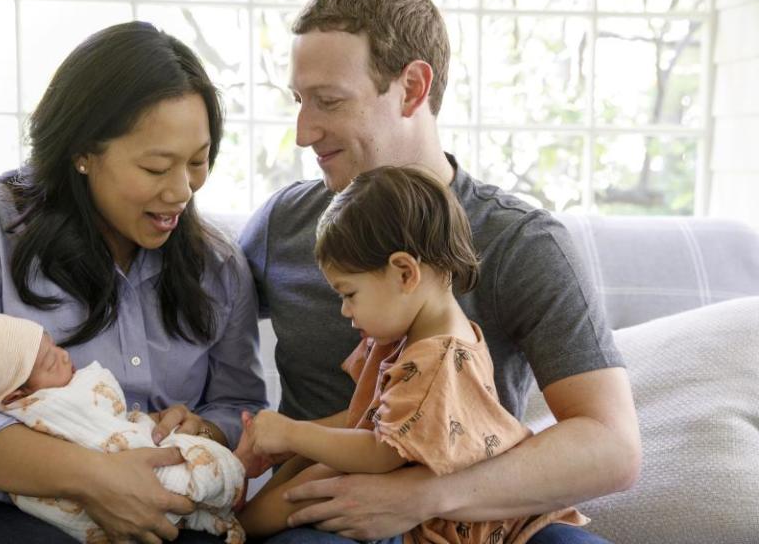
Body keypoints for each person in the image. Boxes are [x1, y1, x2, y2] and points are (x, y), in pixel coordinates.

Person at [238, 0, 640, 543]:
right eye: (300, 102)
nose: (304, 133)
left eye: (328, 101)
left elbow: (612, 446)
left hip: (479, 513)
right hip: (328, 519)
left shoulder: (518, 241)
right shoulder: (286, 224)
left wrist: (421, 496)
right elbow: (186, 319)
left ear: (412, 88)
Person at [0, 21, 268, 544]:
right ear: (83, 151)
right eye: (157, 167)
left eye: (197, 163)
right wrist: (95, 478)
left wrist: (210, 428)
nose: (181, 191)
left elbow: (240, 403)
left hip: (160, 506)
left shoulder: (216, 266)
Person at [238, 166, 589, 543]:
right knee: (308, 468)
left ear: (405, 273)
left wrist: (293, 433)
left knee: (317, 482)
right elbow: (367, 418)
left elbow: (380, 452)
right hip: (446, 504)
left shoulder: (437, 360)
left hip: (476, 524)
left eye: (349, 294)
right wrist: (287, 442)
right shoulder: (421, 338)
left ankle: (233, 530)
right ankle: (237, 526)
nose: (344, 310)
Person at [0, 312, 247, 544]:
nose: (64, 355)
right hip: (102, 491)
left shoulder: (221, 266)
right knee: (193, 482)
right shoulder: (45, 406)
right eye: (50, 364)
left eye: (55, 347)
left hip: (148, 452)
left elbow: (236, 403)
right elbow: (99, 438)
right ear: (16, 396)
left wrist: (192, 430)